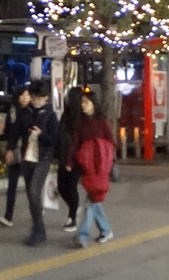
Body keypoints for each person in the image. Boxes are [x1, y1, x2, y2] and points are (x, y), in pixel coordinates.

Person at [69, 91, 115, 247]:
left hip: (100, 167)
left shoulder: (103, 122)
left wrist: (109, 162)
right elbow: (75, 143)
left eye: (86, 102)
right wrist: (70, 161)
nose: (83, 105)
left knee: (92, 200)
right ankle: (105, 230)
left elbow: (111, 143)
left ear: (94, 104)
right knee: (94, 200)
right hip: (87, 167)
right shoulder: (80, 123)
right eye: (82, 102)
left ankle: (82, 235)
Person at [20, 81, 60, 246]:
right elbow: (18, 130)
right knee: (31, 195)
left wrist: (41, 134)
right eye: (34, 97)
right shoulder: (26, 112)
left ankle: (39, 229)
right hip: (27, 156)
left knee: (34, 191)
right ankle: (37, 227)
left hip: (43, 158)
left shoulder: (50, 116)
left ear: (46, 98)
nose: (37, 101)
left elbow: (54, 140)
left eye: (40, 98)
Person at [0, 85, 32, 227]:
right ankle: (8, 215)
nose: (25, 98)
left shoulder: (31, 112)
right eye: (22, 95)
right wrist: (9, 149)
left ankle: (36, 212)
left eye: (27, 95)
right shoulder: (12, 111)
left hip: (28, 153)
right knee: (12, 185)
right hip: (15, 151)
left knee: (31, 186)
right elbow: (9, 132)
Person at [56, 87, 84, 232]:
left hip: (76, 159)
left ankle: (72, 217)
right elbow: (59, 135)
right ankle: (75, 207)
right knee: (61, 187)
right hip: (63, 156)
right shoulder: (65, 116)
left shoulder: (82, 119)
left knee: (71, 186)